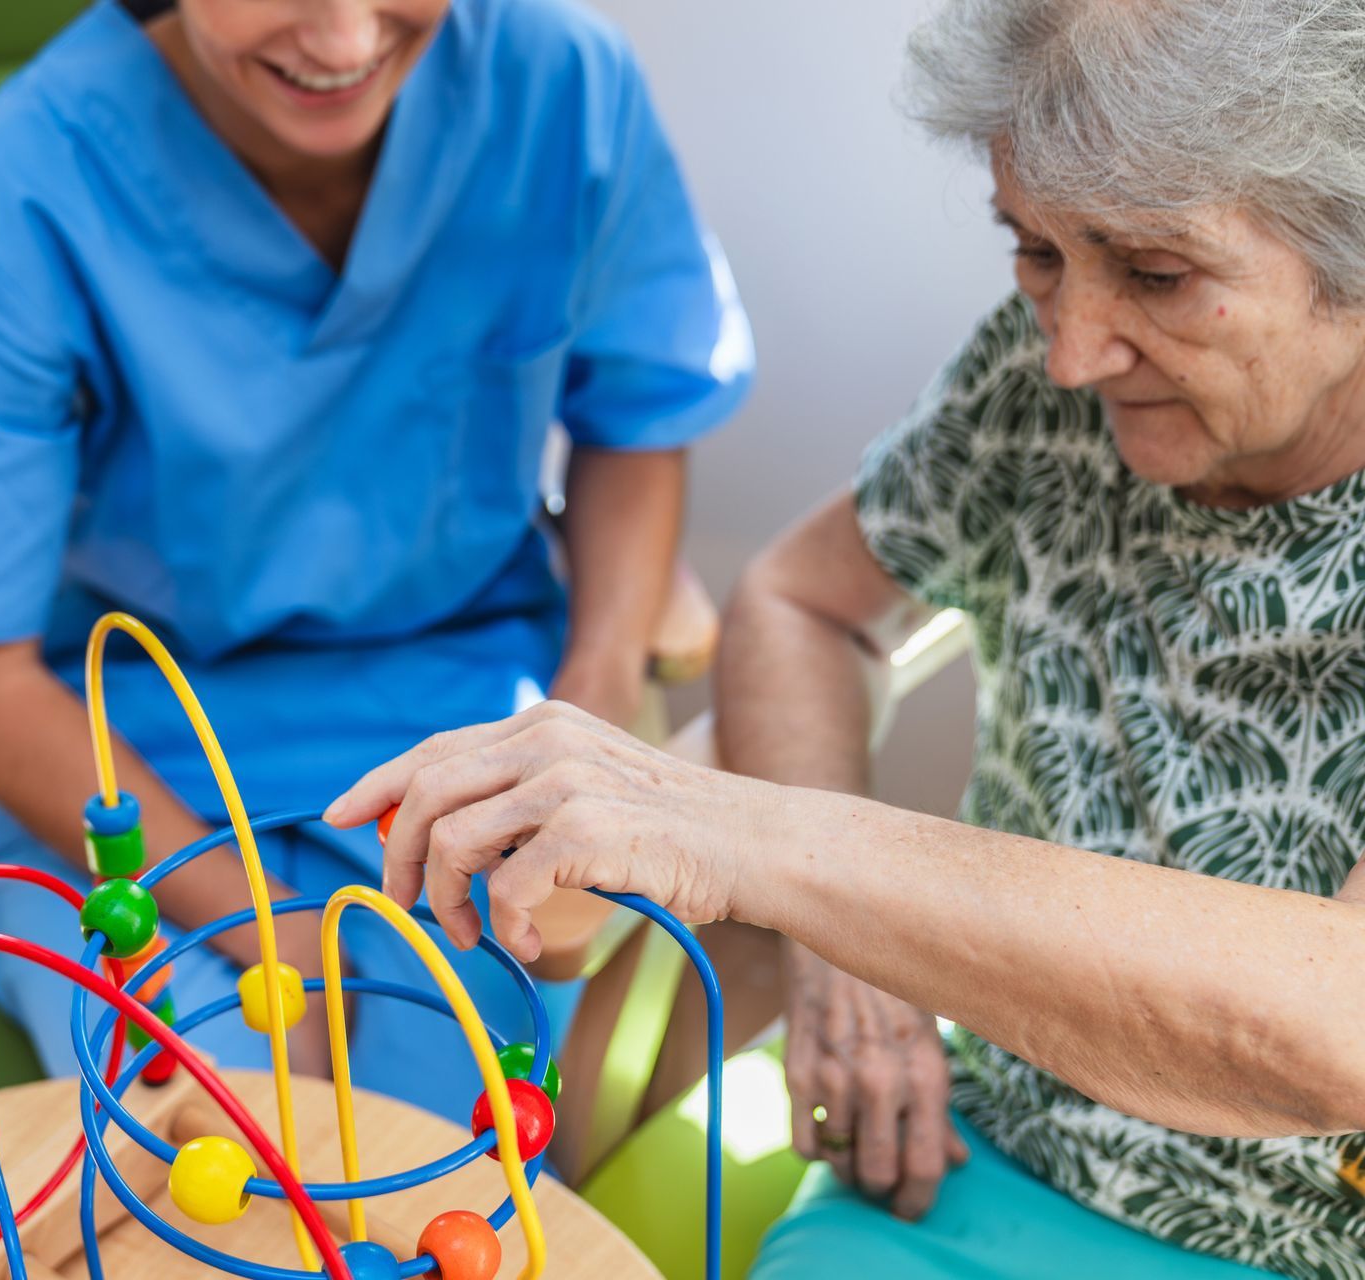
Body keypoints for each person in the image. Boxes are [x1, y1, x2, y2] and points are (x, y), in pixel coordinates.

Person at [327, 0, 1365, 1271]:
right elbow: (798, 600)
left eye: (1157, 273)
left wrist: (768, 848)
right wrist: (847, 964)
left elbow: (1340, 1030)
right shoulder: (1041, 381)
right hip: (970, 1150)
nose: (1072, 354)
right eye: (1036, 251)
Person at [0, 0, 752, 1124]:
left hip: (454, 732)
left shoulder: (560, 88)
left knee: (433, 1168)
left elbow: (636, 414)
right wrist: (267, 929)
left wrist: (596, 701)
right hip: (131, 756)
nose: (343, 42)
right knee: (210, 1148)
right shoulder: (22, 193)